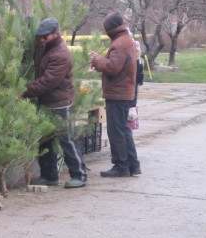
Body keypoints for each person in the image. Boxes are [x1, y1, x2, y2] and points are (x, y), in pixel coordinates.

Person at [23, 17, 87, 188]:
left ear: (56, 34)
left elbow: (47, 81)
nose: (42, 40)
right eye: (40, 37)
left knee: (67, 139)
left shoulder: (60, 54)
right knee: (44, 140)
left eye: (45, 37)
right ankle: (49, 175)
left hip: (60, 103)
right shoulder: (45, 47)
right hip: (46, 101)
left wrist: (23, 91)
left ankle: (79, 175)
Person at [89, 12, 141, 177]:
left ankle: (121, 166)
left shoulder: (119, 44)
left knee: (116, 131)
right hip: (124, 93)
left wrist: (97, 60)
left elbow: (113, 67)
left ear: (111, 29)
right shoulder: (127, 41)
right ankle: (133, 165)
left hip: (117, 94)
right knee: (124, 129)